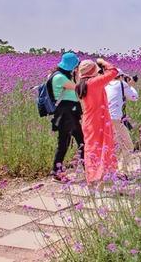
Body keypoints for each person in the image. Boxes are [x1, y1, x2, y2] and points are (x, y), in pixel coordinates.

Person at [75, 58, 119, 185]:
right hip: (99, 120)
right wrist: (103, 61)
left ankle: (93, 177)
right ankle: (100, 177)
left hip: (88, 121)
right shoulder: (94, 82)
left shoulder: (80, 85)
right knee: (104, 147)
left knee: (91, 149)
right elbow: (113, 72)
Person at [50, 52, 84, 183]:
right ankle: (57, 172)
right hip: (65, 114)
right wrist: (79, 76)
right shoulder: (59, 78)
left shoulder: (62, 76)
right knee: (64, 143)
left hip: (70, 113)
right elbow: (79, 88)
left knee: (81, 141)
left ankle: (86, 168)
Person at [105, 73, 138, 178]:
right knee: (128, 145)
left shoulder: (106, 84)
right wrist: (131, 85)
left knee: (114, 145)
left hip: (104, 119)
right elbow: (134, 97)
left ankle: (112, 170)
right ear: (120, 77)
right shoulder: (121, 84)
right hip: (115, 120)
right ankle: (121, 171)